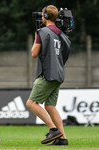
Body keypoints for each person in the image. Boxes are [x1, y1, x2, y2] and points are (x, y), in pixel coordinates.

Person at [26, 5, 71, 145]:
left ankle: (53, 129)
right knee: (50, 106)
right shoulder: (62, 34)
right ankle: (62, 138)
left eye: (42, 14)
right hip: (59, 74)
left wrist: (36, 37)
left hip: (47, 74)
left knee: (31, 103)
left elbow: (34, 53)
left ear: (45, 16)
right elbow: (64, 56)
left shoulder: (42, 32)